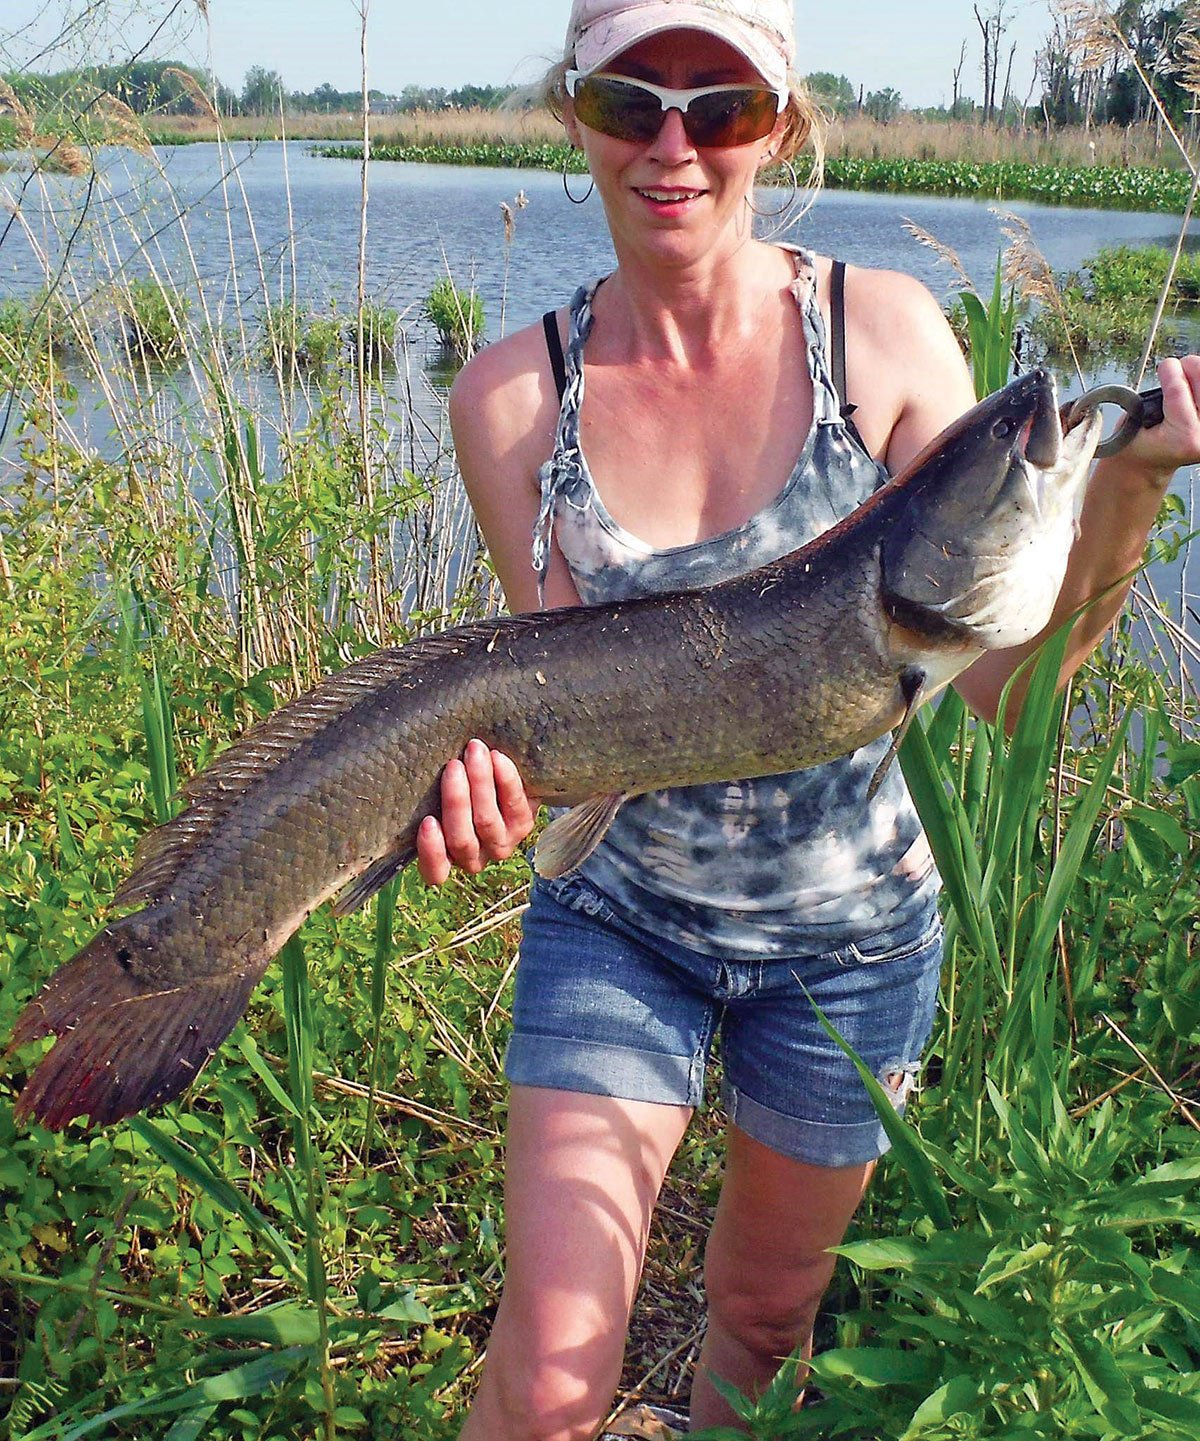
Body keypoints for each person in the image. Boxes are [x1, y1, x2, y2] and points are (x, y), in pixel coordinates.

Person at [415, 3, 1200, 1437]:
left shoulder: (885, 334)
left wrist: (1129, 493)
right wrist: (488, 789)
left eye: (719, 107)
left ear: (779, 122)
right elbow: (545, 706)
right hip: (618, 917)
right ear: (573, 114)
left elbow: (1009, 690)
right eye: (628, 102)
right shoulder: (513, 398)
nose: (673, 145)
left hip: (850, 944)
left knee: (766, 1323)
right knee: (547, 1375)